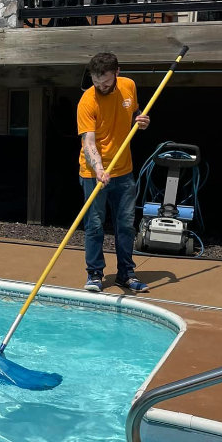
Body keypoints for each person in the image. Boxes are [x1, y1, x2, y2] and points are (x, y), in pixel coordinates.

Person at [77, 52, 150, 293]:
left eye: (106, 82)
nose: (101, 87)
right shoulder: (87, 101)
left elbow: (133, 114)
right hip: (93, 172)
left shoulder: (129, 86)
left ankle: (126, 274)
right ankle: (95, 274)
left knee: (126, 225)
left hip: (124, 171)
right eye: (96, 82)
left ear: (117, 73)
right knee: (95, 224)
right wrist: (98, 169)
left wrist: (141, 121)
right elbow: (88, 142)